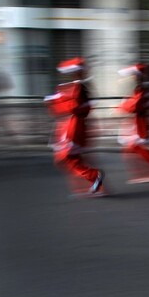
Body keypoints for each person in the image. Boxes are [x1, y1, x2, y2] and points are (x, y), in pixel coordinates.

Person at [44, 57, 105, 197]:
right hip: (75, 125)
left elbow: (71, 106)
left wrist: (54, 100)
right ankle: (93, 182)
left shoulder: (77, 88)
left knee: (66, 157)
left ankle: (94, 176)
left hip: (73, 126)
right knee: (71, 158)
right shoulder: (80, 87)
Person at [116, 63, 149, 183]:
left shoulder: (143, 90)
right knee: (130, 148)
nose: (131, 78)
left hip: (141, 122)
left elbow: (134, 105)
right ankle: (147, 169)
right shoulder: (141, 89)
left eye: (133, 76)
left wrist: (122, 107)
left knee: (133, 146)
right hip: (137, 121)